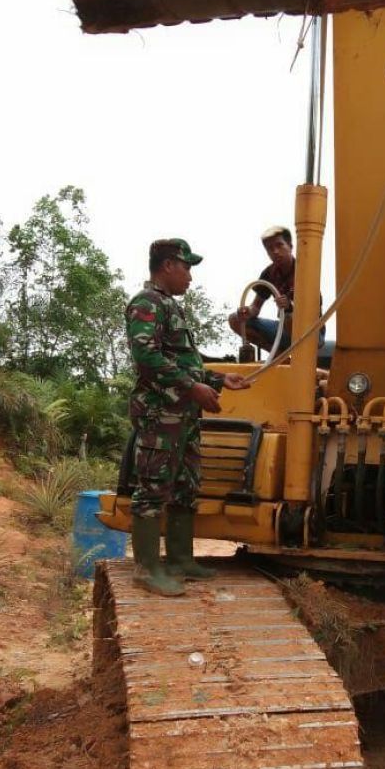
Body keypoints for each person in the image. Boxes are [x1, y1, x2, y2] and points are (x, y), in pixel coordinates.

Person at [124, 238, 249, 597]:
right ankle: (146, 569)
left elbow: (182, 362)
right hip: (161, 413)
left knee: (184, 485)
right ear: (167, 266)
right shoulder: (146, 303)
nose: (190, 276)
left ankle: (179, 560)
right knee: (152, 488)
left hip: (184, 415)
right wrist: (192, 387)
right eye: (186, 267)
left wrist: (219, 378)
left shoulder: (169, 306)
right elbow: (146, 357)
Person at [229, 225, 323, 354]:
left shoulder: (304, 270)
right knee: (235, 319)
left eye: (279, 245)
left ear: (290, 246)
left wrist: (290, 306)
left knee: (289, 317)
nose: (275, 251)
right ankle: (278, 357)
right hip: (284, 330)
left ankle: (301, 359)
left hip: (312, 333)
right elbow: (256, 307)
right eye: (270, 249)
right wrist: (247, 311)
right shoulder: (268, 274)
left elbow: (314, 308)